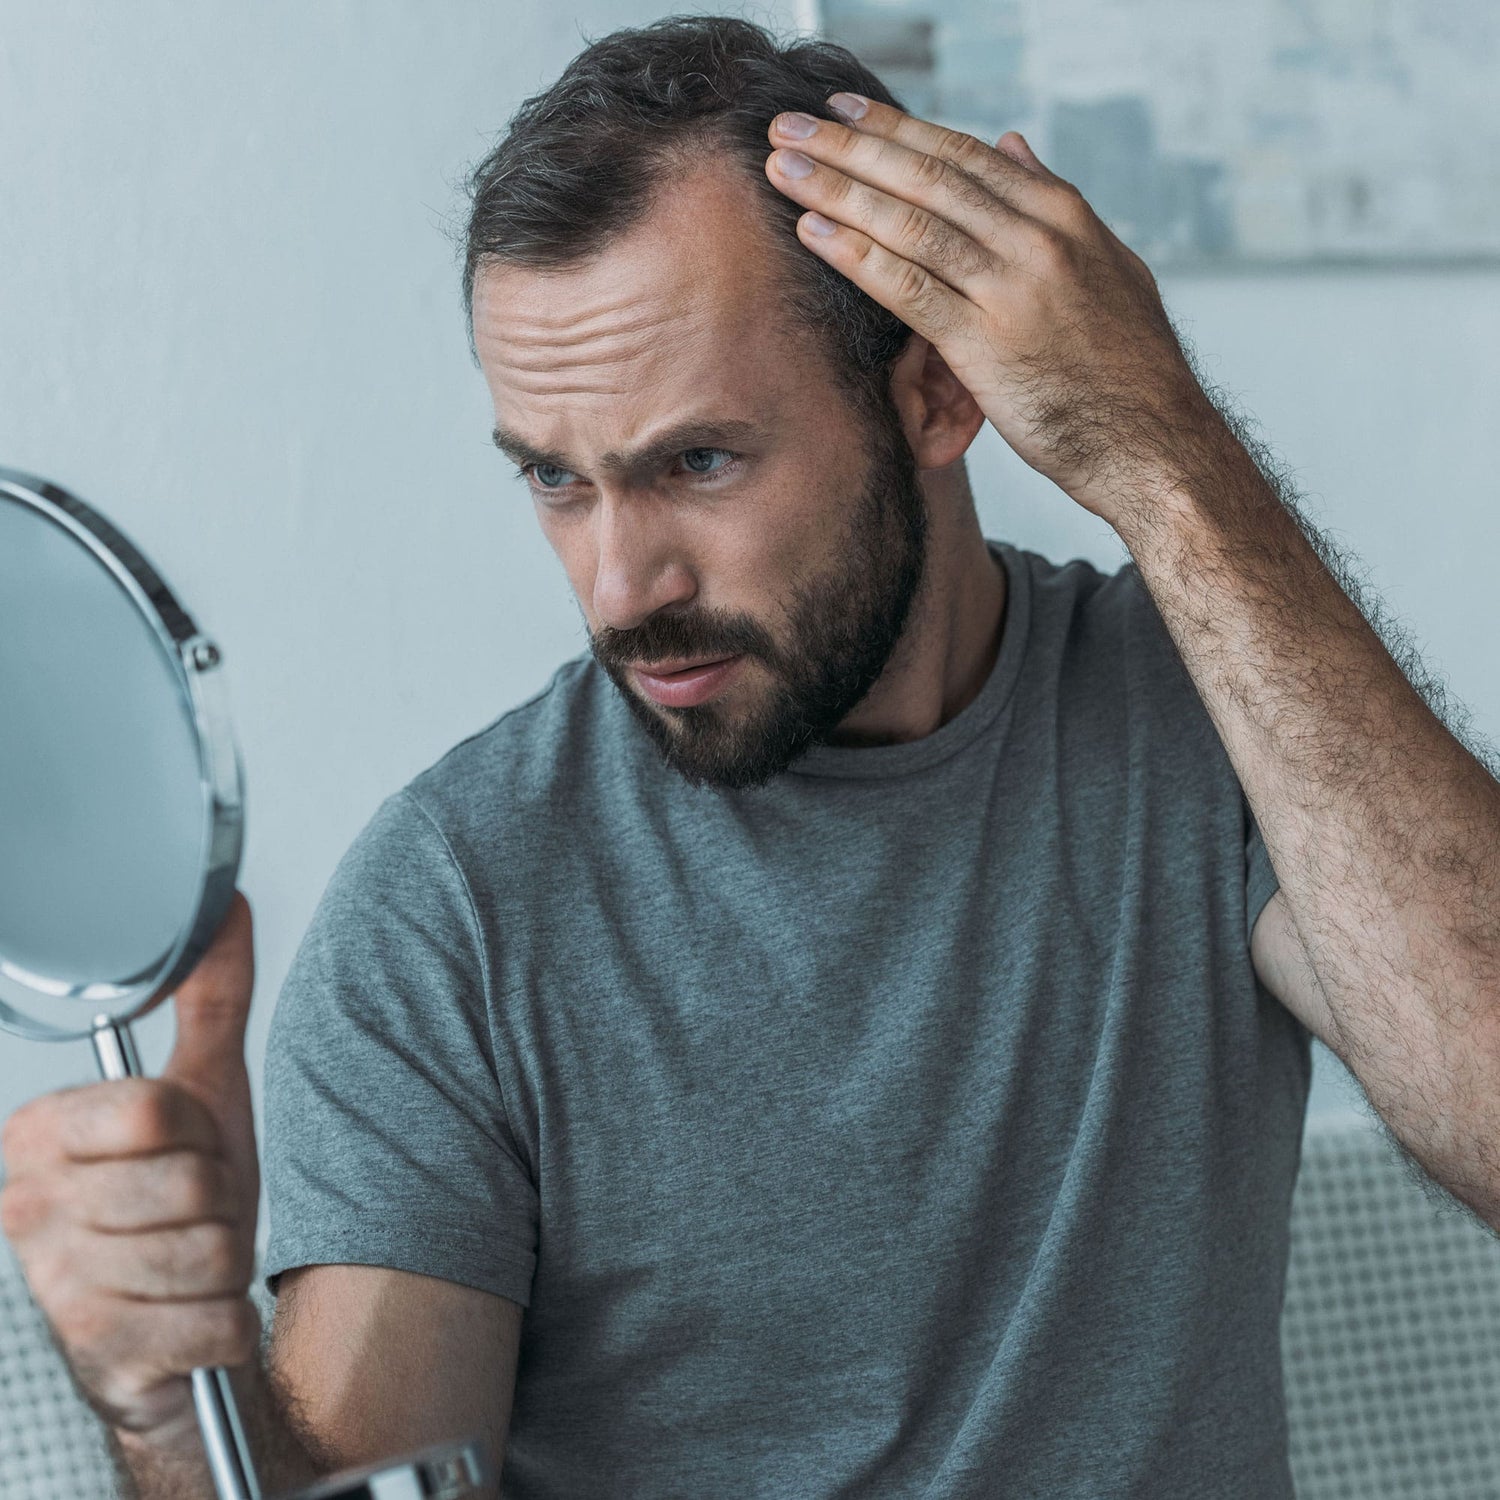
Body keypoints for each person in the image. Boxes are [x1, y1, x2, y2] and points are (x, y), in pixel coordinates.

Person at [7, 14, 1500, 1499]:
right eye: (555, 480)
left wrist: (1162, 452)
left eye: (697, 462)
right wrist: (166, 1405)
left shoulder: (1204, 724)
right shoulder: (456, 908)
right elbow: (361, 1478)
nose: (619, 588)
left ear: (934, 390)